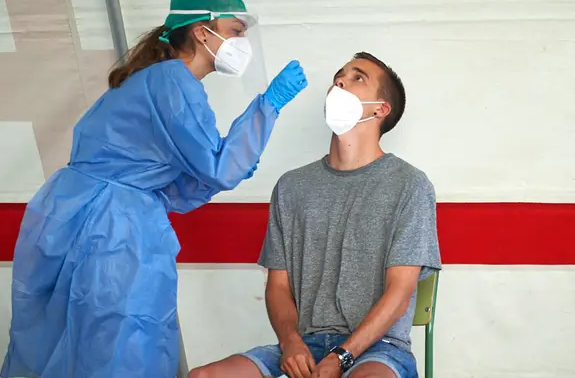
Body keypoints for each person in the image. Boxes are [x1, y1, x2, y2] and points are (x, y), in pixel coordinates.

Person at [0, 0, 308, 378]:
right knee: (121, 345)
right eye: (235, 30)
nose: (241, 41)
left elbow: (183, 184)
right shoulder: (172, 81)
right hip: (111, 231)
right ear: (202, 30)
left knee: (63, 344)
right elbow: (217, 169)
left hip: (74, 217)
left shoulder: (153, 82)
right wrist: (270, 104)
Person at [189, 52, 442, 378]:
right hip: (303, 346)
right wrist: (291, 343)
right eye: (340, 75)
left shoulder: (409, 185)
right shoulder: (291, 187)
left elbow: (400, 290)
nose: (340, 81)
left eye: (357, 77)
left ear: (380, 109)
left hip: (378, 351)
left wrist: (342, 357)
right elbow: (278, 287)